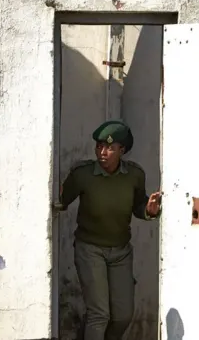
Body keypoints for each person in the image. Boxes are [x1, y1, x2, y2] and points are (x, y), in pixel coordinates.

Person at [54, 120, 162, 340]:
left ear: (122, 150)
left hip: (121, 251)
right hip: (90, 249)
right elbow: (60, 202)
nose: (102, 152)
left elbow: (138, 206)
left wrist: (149, 210)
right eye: (99, 146)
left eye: (110, 148)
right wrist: (56, 196)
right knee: (99, 314)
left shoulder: (134, 175)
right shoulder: (82, 174)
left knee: (123, 315)